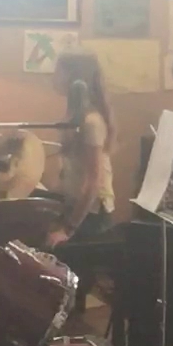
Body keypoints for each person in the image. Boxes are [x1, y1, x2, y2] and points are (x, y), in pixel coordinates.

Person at [45, 49, 116, 247]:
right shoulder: (74, 116)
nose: (54, 77)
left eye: (59, 71)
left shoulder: (91, 122)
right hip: (75, 206)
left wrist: (68, 229)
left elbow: (93, 180)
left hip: (91, 214)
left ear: (74, 77)